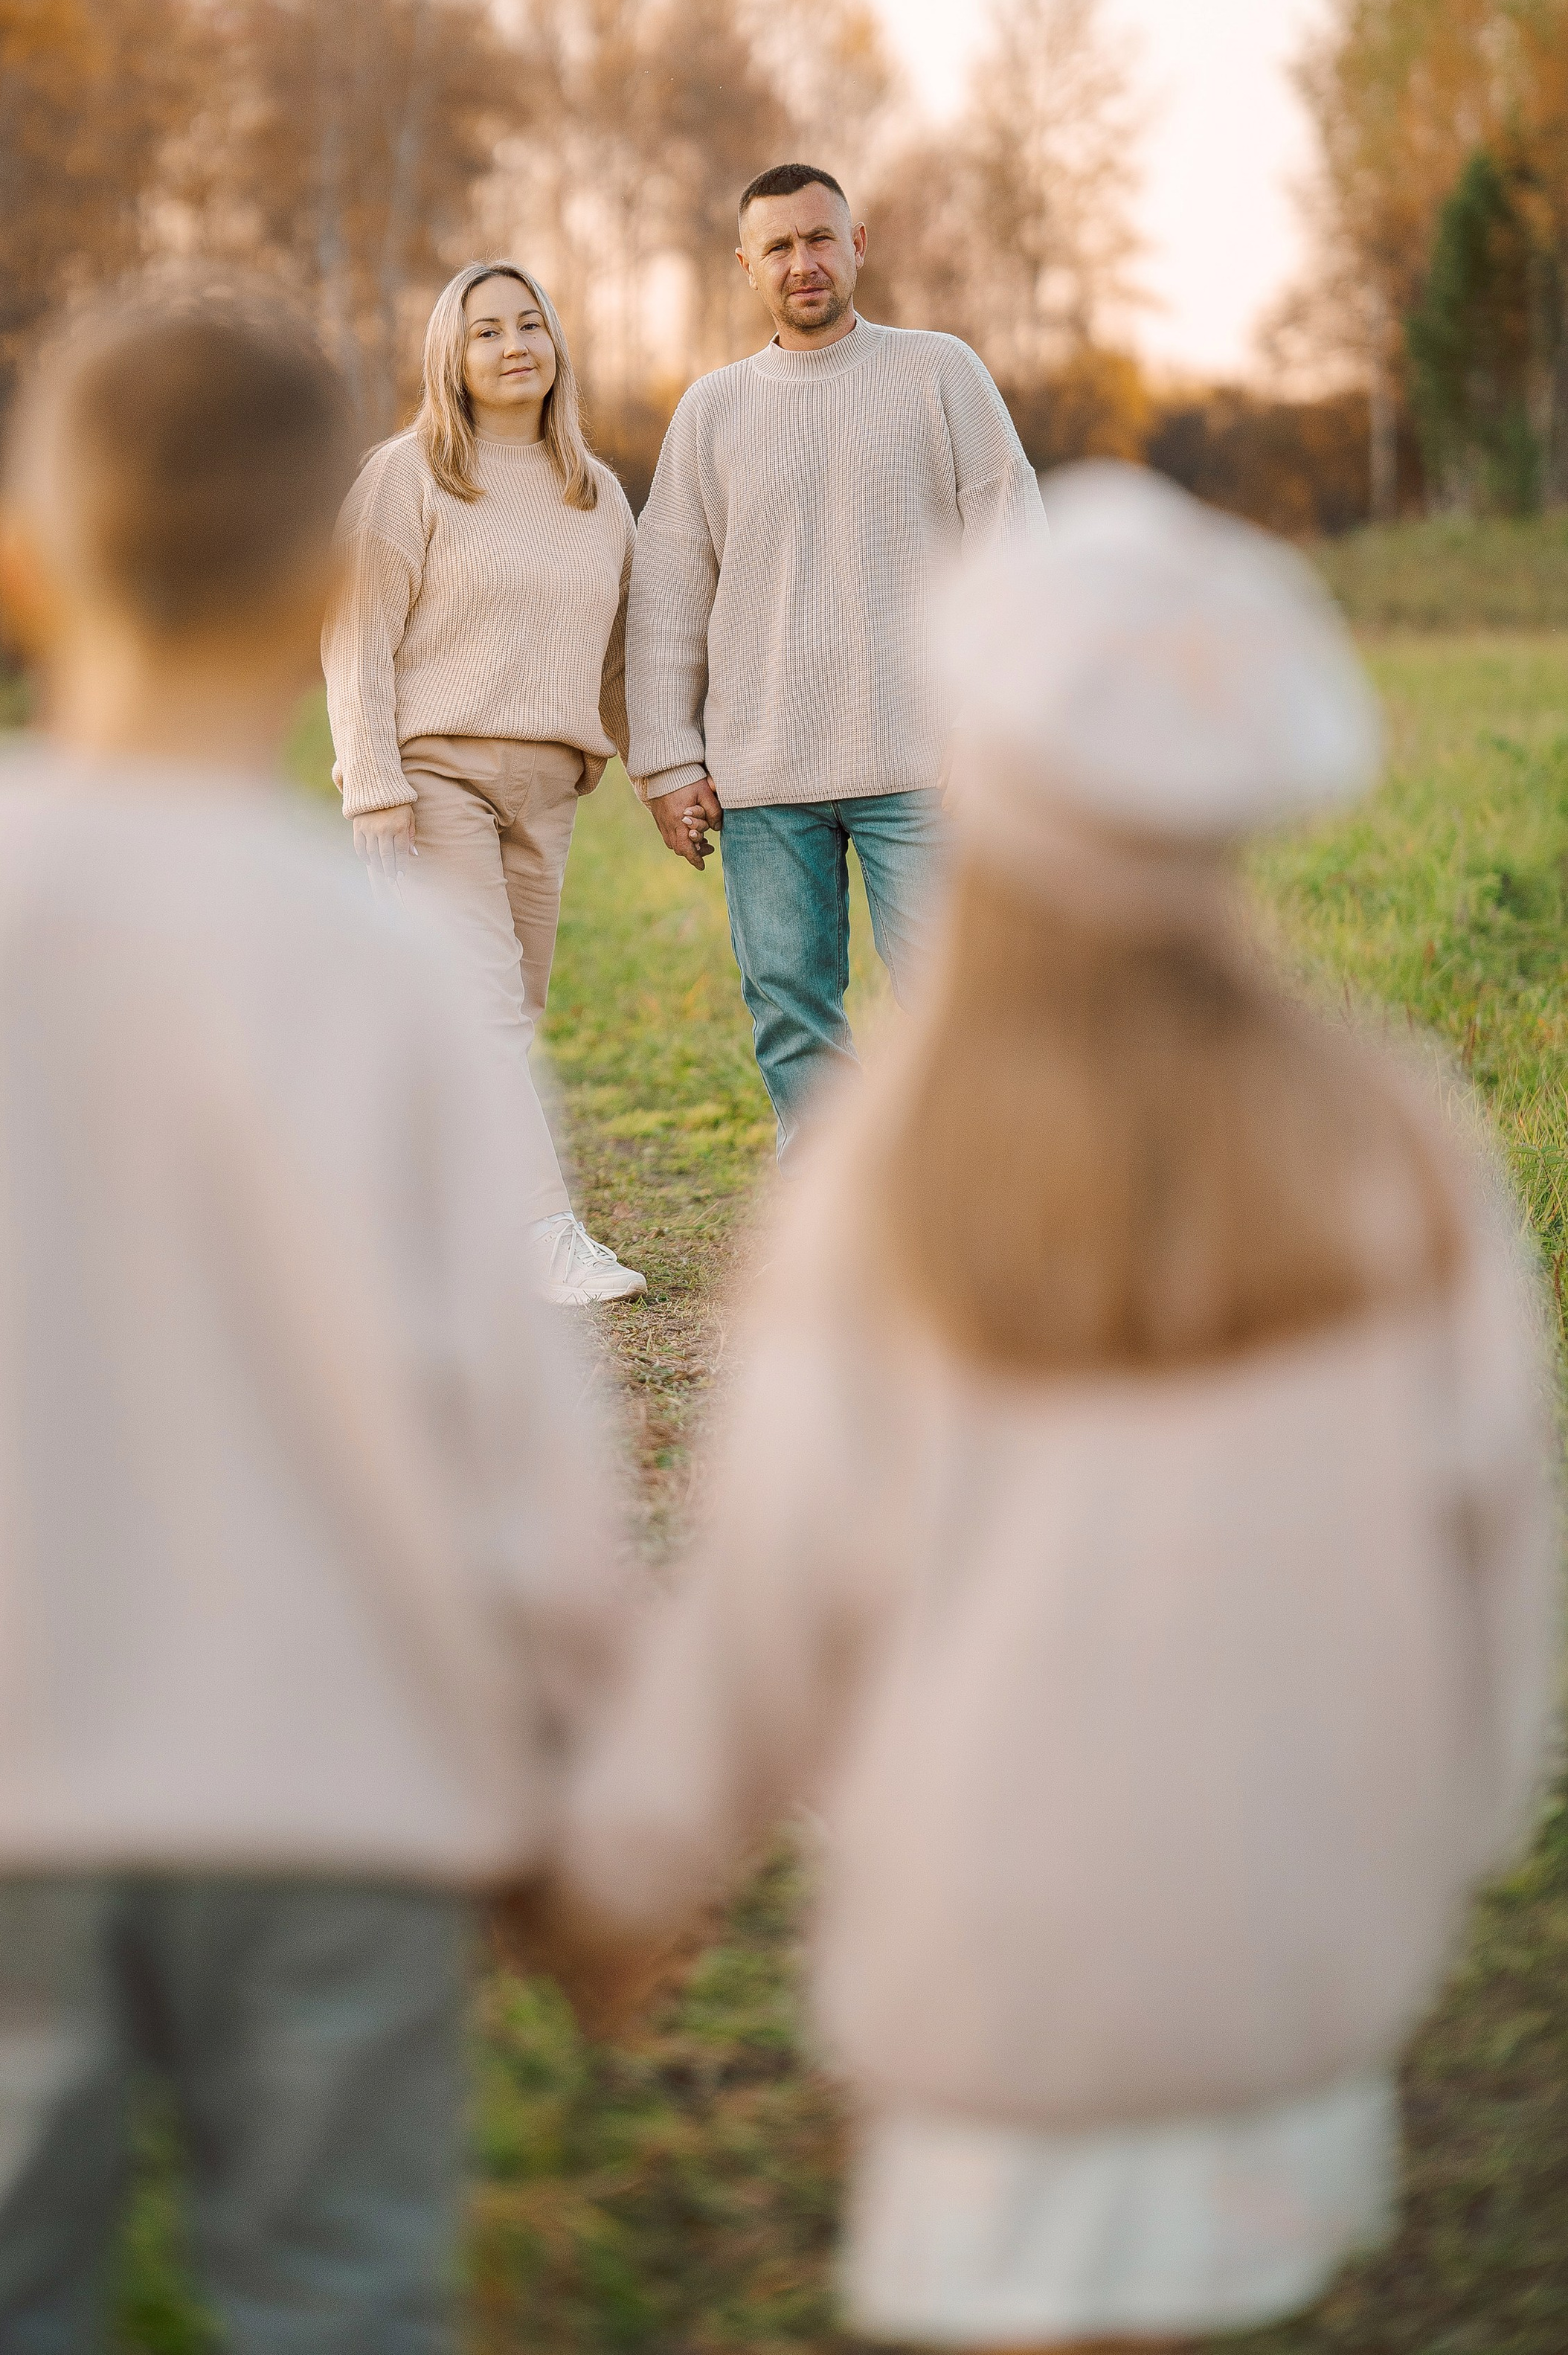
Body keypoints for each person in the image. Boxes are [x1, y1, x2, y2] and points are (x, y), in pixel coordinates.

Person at [0, 274, 629, 2354]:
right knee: (337, 2296)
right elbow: (515, 1412)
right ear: (327, 584)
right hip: (342, 1780)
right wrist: (571, 1766)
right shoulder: (390, 969)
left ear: (11, 568)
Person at [556, 466, 1559, 2353]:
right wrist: (1423, 1836)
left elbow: (766, 1612)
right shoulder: (1395, 1149)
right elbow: (1497, 1567)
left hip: (989, 1975)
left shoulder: (885, 1179)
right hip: (1290, 1959)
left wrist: (625, 1864)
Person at [626, 161, 1047, 1162]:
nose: (802, 262)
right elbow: (669, 595)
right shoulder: (711, 412)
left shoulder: (941, 372)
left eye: (819, 237)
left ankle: (973, 1218)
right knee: (792, 1018)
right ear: (746, 266)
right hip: (764, 774)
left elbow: (1012, 549)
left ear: (857, 244)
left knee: (960, 1006)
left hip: (926, 765)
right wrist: (667, 761)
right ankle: (835, 1225)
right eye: (777, 246)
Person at [324, 259, 644, 1306]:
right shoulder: (406, 475)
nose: (514, 346)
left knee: (504, 1011)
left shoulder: (597, 495)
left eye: (530, 324)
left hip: (549, 783)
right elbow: (357, 633)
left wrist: (665, 771)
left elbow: (622, 662)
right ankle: (542, 1235)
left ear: (556, 342)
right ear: (450, 357)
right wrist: (375, 785)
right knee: (482, 1007)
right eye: (486, 331)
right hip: (435, 773)